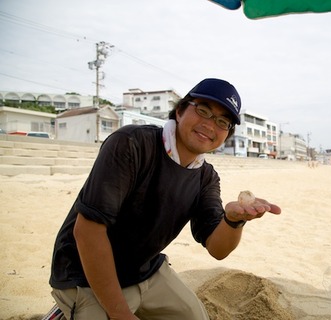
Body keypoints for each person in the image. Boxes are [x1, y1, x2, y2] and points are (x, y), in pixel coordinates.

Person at [48, 78, 281, 320]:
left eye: (223, 121)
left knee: (196, 317)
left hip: (144, 270)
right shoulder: (132, 144)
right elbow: (87, 232)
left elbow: (217, 248)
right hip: (84, 274)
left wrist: (233, 220)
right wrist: (121, 314)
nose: (210, 125)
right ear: (180, 111)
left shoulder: (206, 177)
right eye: (203, 110)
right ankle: (64, 312)